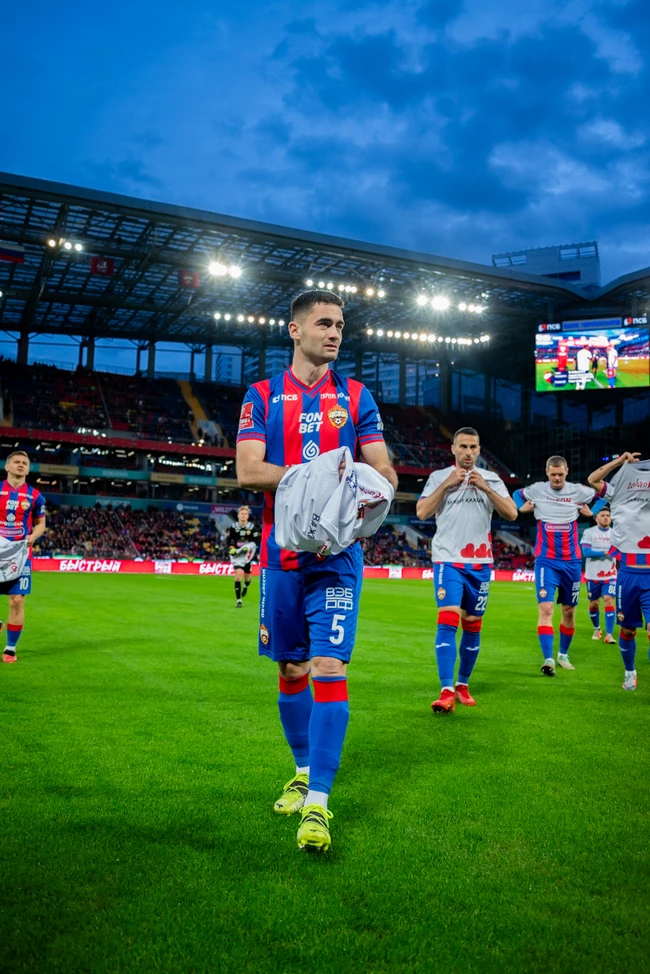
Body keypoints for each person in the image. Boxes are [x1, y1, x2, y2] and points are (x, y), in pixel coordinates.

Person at [236, 289, 397, 852]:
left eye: (340, 325)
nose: (334, 333)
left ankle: (319, 804)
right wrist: (317, 479)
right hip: (281, 555)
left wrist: (372, 490)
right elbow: (248, 470)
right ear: (295, 330)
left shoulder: (355, 397)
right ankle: (302, 772)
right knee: (291, 669)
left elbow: (384, 469)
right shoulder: (261, 396)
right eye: (324, 323)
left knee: (329, 665)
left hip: (337, 557)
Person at [416, 428, 517, 712]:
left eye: (473, 447)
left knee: (472, 624)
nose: (468, 452)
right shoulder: (439, 477)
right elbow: (421, 512)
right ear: (453, 449)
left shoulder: (492, 479)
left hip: (480, 563)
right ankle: (446, 690)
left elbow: (511, 513)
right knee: (447, 620)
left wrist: (486, 488)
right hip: (448, 560)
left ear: (479, 450)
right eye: (463, 446)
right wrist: (447, 485)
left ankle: (462, 685)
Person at [514, 456, 607, 676]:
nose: (557, 478)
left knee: (568, 611)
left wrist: (593, 511)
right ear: (547, 472)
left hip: (571, 563)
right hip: (546, 561)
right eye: (553, 474)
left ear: (567, 471)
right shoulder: (537, 489)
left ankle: (563, 655)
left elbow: (603, 495)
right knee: (546, 609)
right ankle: (548, 660)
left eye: (560, 474)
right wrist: (521, 507)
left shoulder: (578, 491)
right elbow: (517, 494)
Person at [588, 453, 648, 690]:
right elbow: (593, 479)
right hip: (627, 575)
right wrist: (619, 462)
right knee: (628, 629)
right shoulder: (617, 489)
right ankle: (630, 672)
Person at [0, 451, 46, 663]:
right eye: (16, 462)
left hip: (20, 554)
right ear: (7, 467)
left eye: (24, 463)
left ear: (28, 469)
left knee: (17, 601)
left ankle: (10, 649)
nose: (20, 465)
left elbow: (41, 524)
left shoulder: (35, 496)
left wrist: (33, 537)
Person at [581, 508, 617, 643]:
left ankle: (609, 634)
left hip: (610, 574)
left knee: (608, 599)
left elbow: (620, 551)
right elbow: (586, 552)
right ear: (596, 518)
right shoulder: (589, 532)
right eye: (603, 515)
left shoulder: (615, 534)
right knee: (594, 604)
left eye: (608, 515)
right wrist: (605, 553)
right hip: (592, 575)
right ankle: (597, 628)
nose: (606, 518)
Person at [226, 505, 260, 606]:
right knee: (237, 577)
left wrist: (249, 547)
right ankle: (239, 600)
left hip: (247, 555)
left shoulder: (252, 528)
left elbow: (257, 541)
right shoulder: (233, 527)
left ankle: (246, 586)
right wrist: (231, 548)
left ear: (248, 516)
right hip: (237, 554)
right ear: (238, 515)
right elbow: (229, 540)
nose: (244, 515)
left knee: (247, 577)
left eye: (245, 514)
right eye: (242, 514)